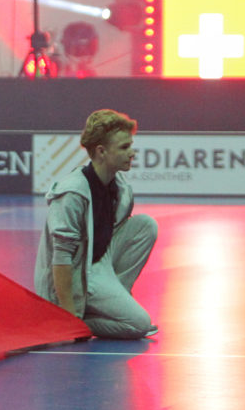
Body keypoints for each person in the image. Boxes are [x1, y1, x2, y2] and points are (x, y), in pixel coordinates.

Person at [34, 109, 158, 340]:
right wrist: (69, 318)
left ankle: (112, 302)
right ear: (101, 151)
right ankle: (78, 317)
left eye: (130, 145)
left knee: (145, 226)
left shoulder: (120, 187)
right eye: (124, 147)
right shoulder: (72, 193)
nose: (132, 153)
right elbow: (61, 259)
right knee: (139, 325)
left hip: (100, 261)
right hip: (78, 273)